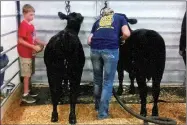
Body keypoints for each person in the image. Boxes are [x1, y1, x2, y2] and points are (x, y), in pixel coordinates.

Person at [88, 8, 130, 119]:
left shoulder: (97, 21)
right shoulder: (120, 18)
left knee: (97, 80)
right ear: (113, 13)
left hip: (94, 50)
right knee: (107, 82)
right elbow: (127, 33)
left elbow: (89, 41)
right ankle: (102, 114)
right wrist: (120, 39)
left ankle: (97, 106)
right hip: (110, 50)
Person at [17, 4, 47, 103]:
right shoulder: (23, 25)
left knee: (30, 73)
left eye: (33, 15)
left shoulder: (31, 26)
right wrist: (33, 47)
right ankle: (25, 95)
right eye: (30, 15)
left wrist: (45, 43)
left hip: (31, 52)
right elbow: (20, 40)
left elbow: (35, 39)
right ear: (24, 13)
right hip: (25, 53)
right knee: (26, 74)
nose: (32, 17)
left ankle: (28, 90)